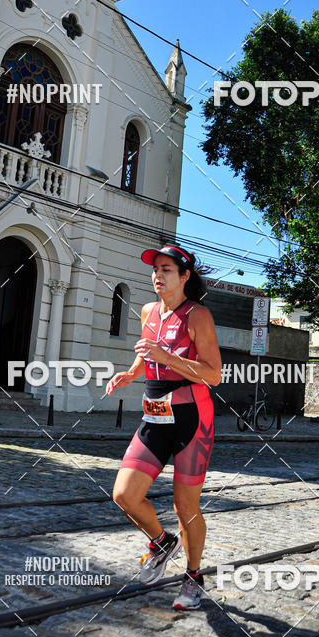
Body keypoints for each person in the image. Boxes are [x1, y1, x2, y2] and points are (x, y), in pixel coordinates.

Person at [107, 245, 222, 611]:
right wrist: (131, 372)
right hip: (154, 417)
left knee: (185, 505)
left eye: (167, 269)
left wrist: (170, 358)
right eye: (155, 269)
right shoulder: (147, 310)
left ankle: (193, 577)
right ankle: (161, 541)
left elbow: (214, 375)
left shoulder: (197, 315)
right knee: (124, 495)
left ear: (185, 276)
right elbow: (145, 350)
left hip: (192, 418)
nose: (158, 275)